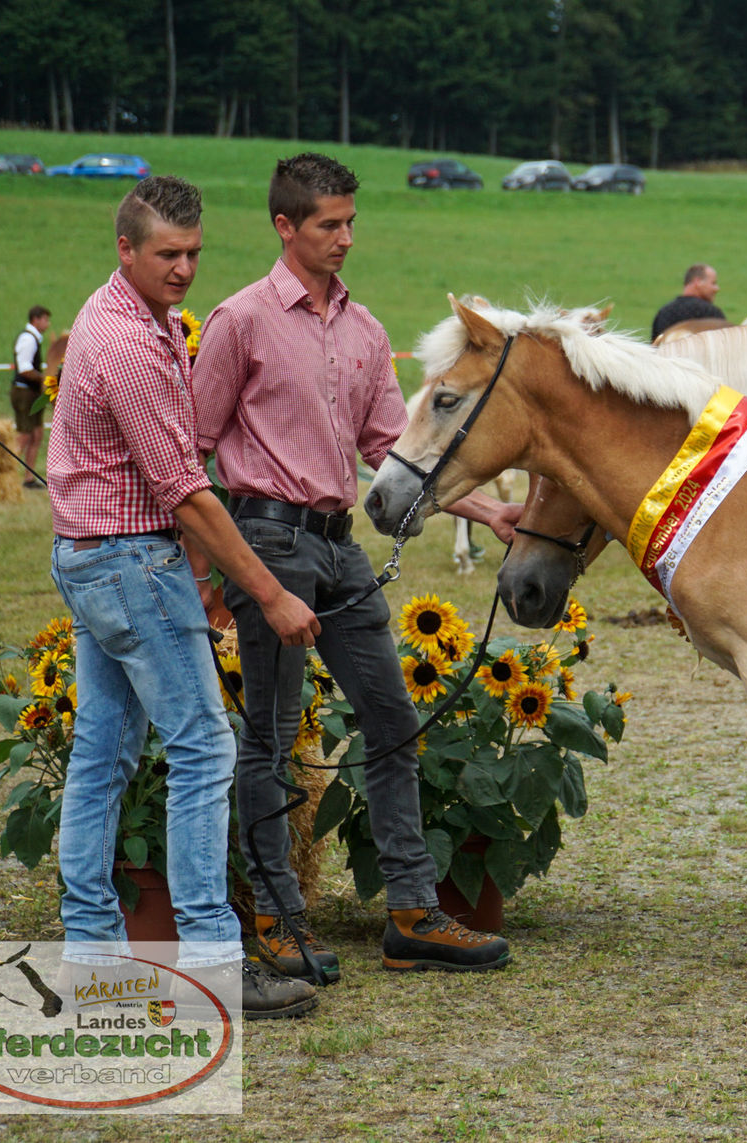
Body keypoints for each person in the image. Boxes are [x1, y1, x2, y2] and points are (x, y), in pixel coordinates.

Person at [193, 153, 518, 983]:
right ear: (284, 226)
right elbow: (191, 450)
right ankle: (274, 921)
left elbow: (390, 450)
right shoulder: (239, 321)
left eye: (349, 224)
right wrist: (204, 576)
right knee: (268, 736)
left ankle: (411, 913)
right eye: (327, 225)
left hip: (338, 544)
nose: (343, 239)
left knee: (394, 721)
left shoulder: (367, 329)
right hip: (263, 539)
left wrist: (487, 511)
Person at [45, 175, 323, 1019]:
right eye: (168, 253)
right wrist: (268, 593)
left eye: (195, 253)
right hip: (130, 561)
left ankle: (91, 951)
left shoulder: (134, 316)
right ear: (124, 247)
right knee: (205, 747)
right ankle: (210, 961)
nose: (184, 269)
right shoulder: (128, 343)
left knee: (101, 752)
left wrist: (199, 574)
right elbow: (185, 489)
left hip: (98, 558)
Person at [12, 305, 53, 486]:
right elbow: (25, 369)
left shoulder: (34, 338)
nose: (48, 323)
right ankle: (7, 474)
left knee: (36, 434)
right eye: (45, 319)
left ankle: (29, 477)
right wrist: (45, 378)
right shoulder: (28, 339)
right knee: (25, 435)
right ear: (36, 320)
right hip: (24, 392)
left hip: (32, 392)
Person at [651, 264, 726, 340]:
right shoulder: (711, 312)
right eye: (713, 283)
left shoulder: (664, 312)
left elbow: (655, 348)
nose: (717, 288)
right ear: (698, 282)